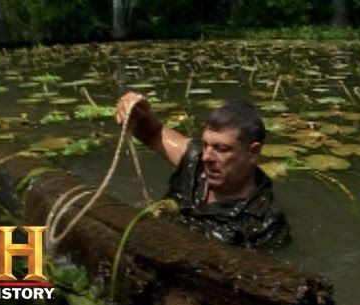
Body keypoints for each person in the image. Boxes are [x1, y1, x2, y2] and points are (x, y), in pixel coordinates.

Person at [115, 92, 290, 248]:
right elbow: (153, 133)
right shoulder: (195, 160)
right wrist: (135, 109)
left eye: (221, 149)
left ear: (253, 152)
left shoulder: (264, 224)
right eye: (205, 144)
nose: (207, 157)